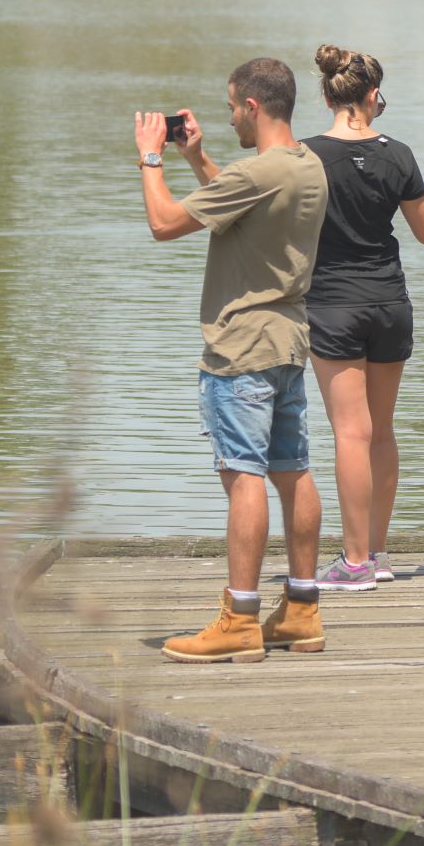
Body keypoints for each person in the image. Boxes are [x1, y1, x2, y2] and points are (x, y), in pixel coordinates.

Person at [134, 57, 331, 663]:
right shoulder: (305, 166)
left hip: (241, 348)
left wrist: (152, 158)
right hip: (289, 341)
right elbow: (241, 203)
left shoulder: (261, 170)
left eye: (230, 107)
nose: (227, 117)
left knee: (242, 474)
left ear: (252, 106)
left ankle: (240, 617)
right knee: (292, 469)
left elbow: (166, 223)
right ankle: (301, 609)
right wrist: (198, 159)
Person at [302, 43, 424, 590]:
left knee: (349, 433)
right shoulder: (398, 155)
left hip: (332, 305)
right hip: (389, 304)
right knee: (380, 431)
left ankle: (353, 563)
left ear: (328, 95)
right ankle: (376, 555)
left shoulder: (305, 155)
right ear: (373, 95)